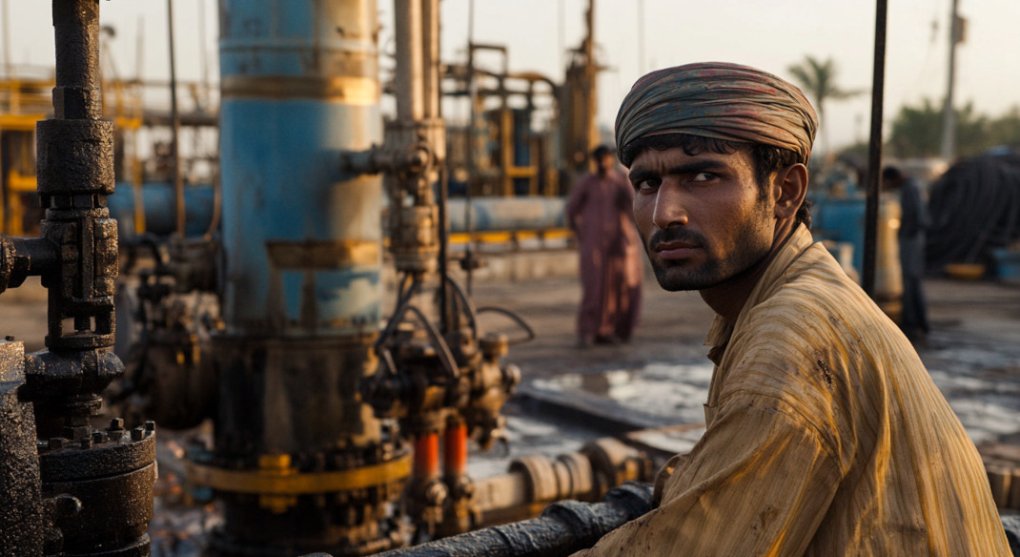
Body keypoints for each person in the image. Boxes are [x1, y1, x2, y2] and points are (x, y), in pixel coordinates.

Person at [574, 63, 1008, 556]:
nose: (664, 213)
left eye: (703, 176)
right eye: (648, 183)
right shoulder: (791, 299)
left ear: (785, 192)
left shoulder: (792, 338)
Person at [566, 145, 643, 347]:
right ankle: (587, 332)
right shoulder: (587, 183)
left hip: (617, 243)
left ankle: (608, 331)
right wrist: (581, 233)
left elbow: (634, 202)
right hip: (593, 244)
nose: (603, 163)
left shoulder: (619, 181)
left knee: (616, 288)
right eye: (599, 159)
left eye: (606, 159)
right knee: (594, 287)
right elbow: (572, 210)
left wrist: (626, 175)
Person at [883, 165, 931, 343]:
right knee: (912, 282)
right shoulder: (912, 187)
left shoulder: (911, 188)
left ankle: (914, 324)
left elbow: (917, 217)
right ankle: (919, 323)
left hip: (912, 239)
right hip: (913, 238)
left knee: (911, 281)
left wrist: (905, 234)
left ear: (893, 179)